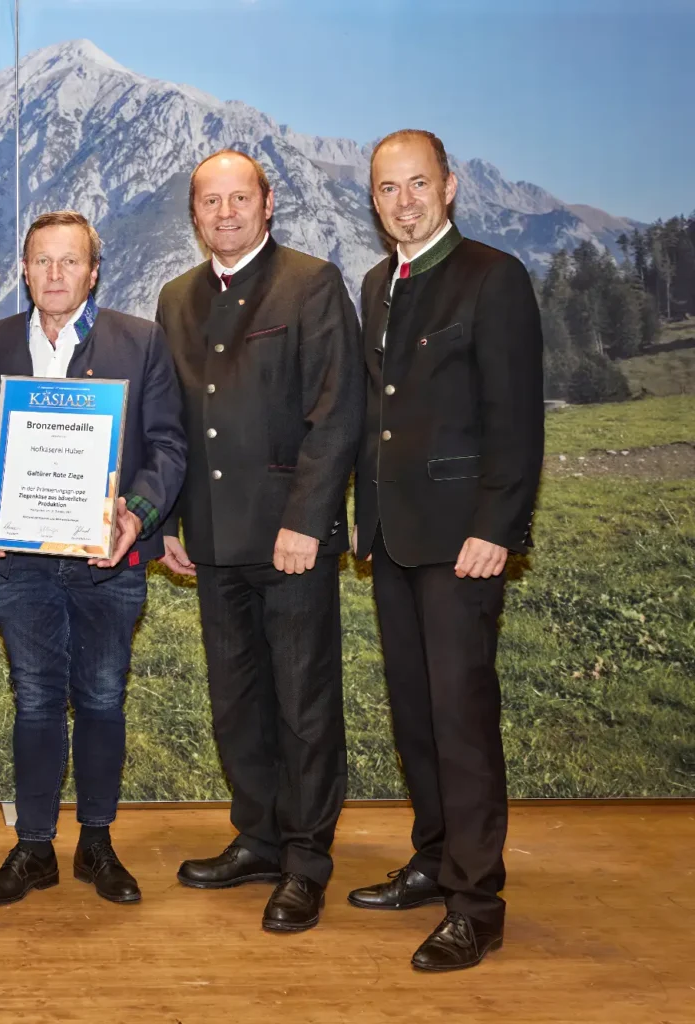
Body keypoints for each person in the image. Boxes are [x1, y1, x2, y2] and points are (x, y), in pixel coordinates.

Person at [348, 129, 543, 971]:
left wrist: (496, 529)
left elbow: (516, 419)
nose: (403, 201)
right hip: (393, 535)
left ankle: (477, 899)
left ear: (450, 186)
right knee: (417, 714)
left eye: (417, 184)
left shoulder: (493, 277)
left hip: (464, 540)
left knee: (462, 720)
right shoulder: (375, 285)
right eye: (387, 189)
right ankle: (432, 859)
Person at [155, 149, 363, 932]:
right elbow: (168, 423)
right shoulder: (176, 297)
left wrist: (306, 521)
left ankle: (307, 861)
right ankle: (259, 837)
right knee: (236, 701)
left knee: (304, 703)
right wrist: (165, 523)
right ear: (195, 213)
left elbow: (336, 413)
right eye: (211, 201)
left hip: (290, 540)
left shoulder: (310, 282)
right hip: (209, 538)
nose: (226, 212)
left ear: (268, 203)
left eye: (240, 198)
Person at [0, 211, 187, 906]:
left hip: (107, 559)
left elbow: (170, 447)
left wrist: (135, 514)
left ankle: (96, 842)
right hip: (20, 561)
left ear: (94, 271)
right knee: (33, 701)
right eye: (41, 262)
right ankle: (33, 847)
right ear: (24, 270)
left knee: (102, 697)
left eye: (69, 262)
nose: (54, 275)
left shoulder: (140, 341)